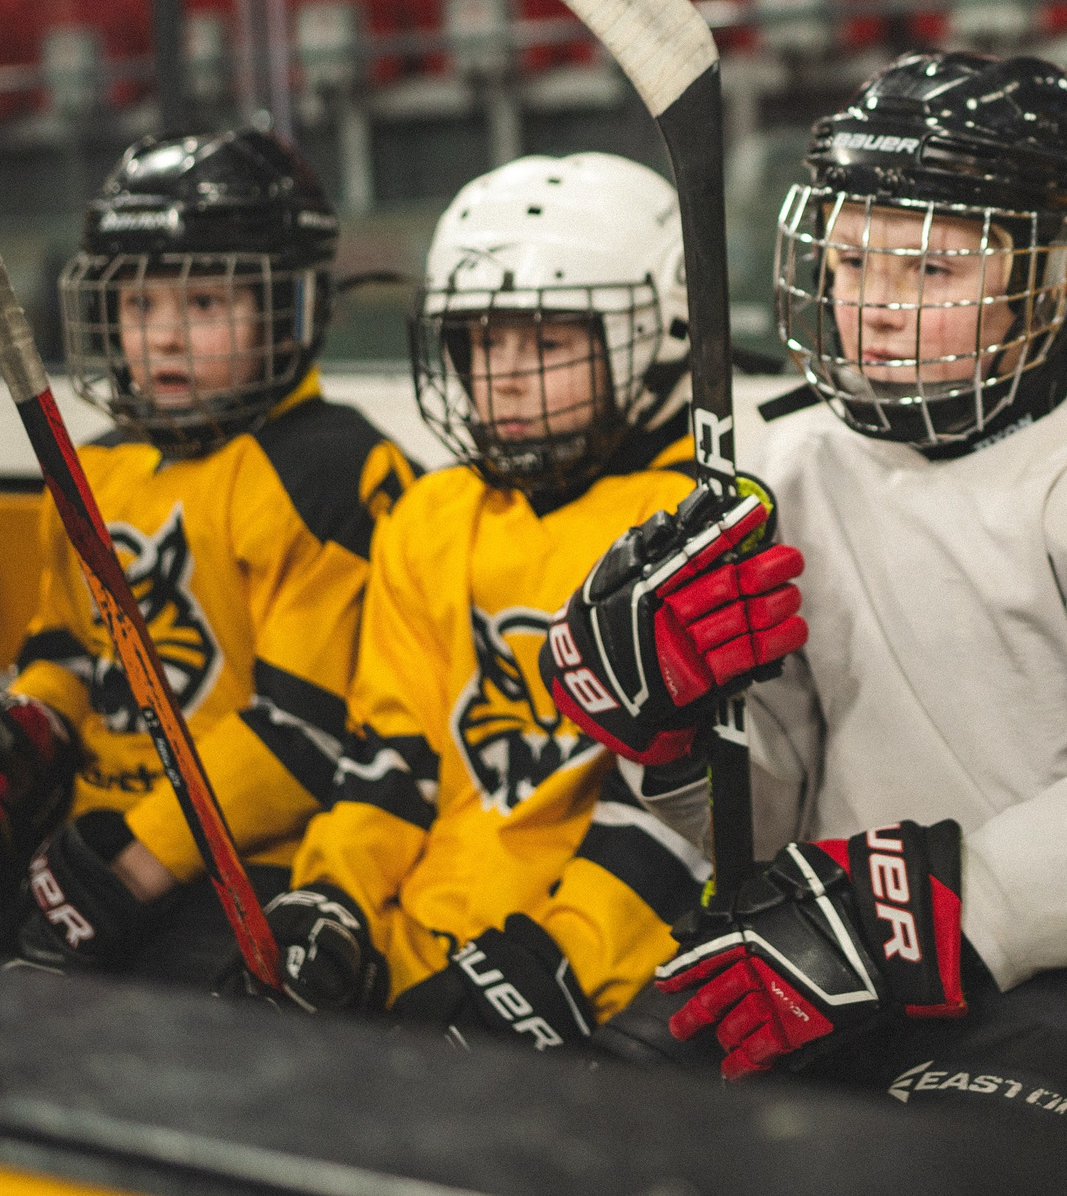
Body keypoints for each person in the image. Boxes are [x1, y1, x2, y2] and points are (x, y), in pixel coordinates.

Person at [553, 52, 1067, 1146]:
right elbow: (767, 818)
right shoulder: (782, 466)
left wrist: (889, 920)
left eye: (930, 271)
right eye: (848, 260)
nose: (873, 305)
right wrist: (675, 745)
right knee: (588, 1135)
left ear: (1056, 270)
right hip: (823, 924)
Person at [233, 152, 799, 1049]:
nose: (505, 377)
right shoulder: (431, 514)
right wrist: (334, 899)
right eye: (483, 341)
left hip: (611, 972)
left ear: (663, 333)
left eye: (547, 343)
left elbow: (692, 812)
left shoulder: (698, 521)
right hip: (423, 943)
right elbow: (392, 756)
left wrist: (553, 969)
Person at [0, 130, 411, 984]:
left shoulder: (332, 469)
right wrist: (23, 737)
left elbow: (305, 733)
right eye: (140, 307)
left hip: (251, 862)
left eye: (205, 306)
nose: (164, 340)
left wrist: (134, 866)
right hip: (89, 840)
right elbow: (66, 648)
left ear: (291, 305)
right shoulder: (97, 463)